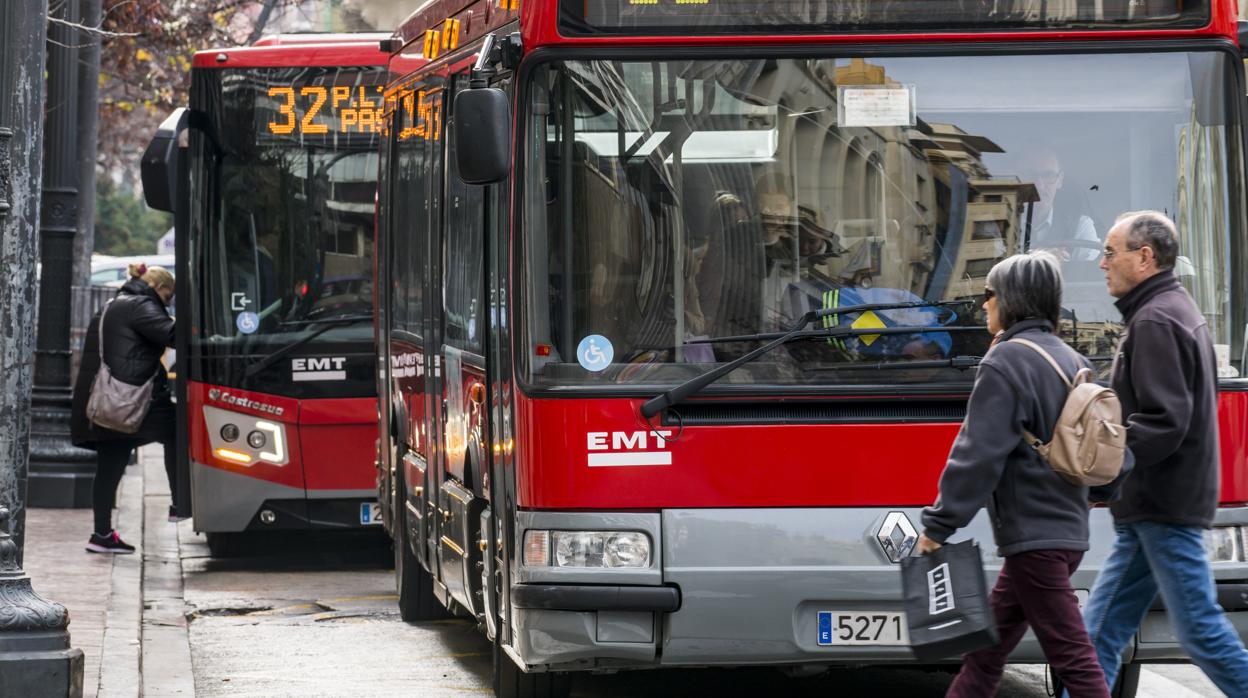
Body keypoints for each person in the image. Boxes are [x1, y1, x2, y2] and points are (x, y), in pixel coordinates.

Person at [915, 251, 1112, 697]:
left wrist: (939, 525)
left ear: (1011, 300)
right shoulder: (1075, 361)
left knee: (1075, 662)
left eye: (989, 294)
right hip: (1066, 533)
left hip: (1034, 540)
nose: (983, 303)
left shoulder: (1006, 362)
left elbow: (977, 454)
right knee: (984, 654)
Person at [1077, 211, 1248, 694]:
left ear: (1144, 258)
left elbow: (1162, 422)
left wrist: (1102, 472)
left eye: (1110, 252)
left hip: (1163, 507)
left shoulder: (1155, 320)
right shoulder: (1170, 309)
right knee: (1100, 633)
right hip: (1153, 506)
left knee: (1199, 632)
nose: (1102, 263)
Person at [71, 263, 178, 554]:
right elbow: (172, 334)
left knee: (109, 467)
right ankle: (179, 502)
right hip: (135, 399)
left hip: (110, 402)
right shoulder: (141, 304)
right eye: (169, 296)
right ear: (159, 288)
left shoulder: (113, 303)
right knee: (177, 431)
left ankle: (101, 534)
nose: (168, 302)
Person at [1017, 145, 1100, 262]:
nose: (1039, 185)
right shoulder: (999, 224)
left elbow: (1091, 275)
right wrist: (1041, 259)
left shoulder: (1079, 226)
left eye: (1048, 175)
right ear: (1017, 179)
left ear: (1060, 180)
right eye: (1030, 174)